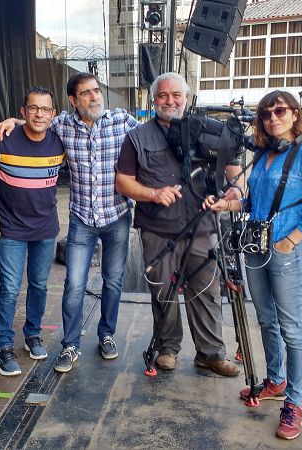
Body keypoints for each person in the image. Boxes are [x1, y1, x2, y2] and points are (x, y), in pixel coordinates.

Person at [0, 73, 138, 373]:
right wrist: (14, 121)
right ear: (73, 101)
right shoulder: (62, 126)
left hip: (117, 216)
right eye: (86, 93)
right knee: (72, 284)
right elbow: (37, 120)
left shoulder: (122, 121)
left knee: (112, 281)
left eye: (97, 91)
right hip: (82, 219)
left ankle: (106, 334)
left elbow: (152, 142)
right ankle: (70, 344)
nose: (95, 97)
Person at [205, 90, 302, 440]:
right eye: (266, 114)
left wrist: (289, 240)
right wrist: (229, 204)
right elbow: (252, 200)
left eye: (279, 111)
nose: (272, 118)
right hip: (255, 248)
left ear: (294, 115)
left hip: (284, 251)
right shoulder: (261, 155)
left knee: (292, 329)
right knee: (266, 320)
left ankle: (294, 402)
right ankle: (275, 380)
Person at [115, 72, 242, 377]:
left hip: (203, 228)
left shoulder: (214, 132)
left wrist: (230, 196)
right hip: (158, 231)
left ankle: (210, 354)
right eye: (162, 96)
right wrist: (153, 194)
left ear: (187, 98)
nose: (169, 101)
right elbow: (123, 182)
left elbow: (236, 179)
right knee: (162, 292)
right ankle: (167, 348)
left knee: (207, 292)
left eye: (176, 95)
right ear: (153, 100)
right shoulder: (137, 137)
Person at [0, 86, 65, 376]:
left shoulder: (60, 143)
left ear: (53, 114)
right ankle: (4, 347)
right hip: (12, 230)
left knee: (39, 286)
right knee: (9, 289)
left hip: (45, 229)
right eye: (33, 108)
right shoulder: (3, 138)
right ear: (23, 111)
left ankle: (32, 334)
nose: (39, 114)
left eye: (45, 109)